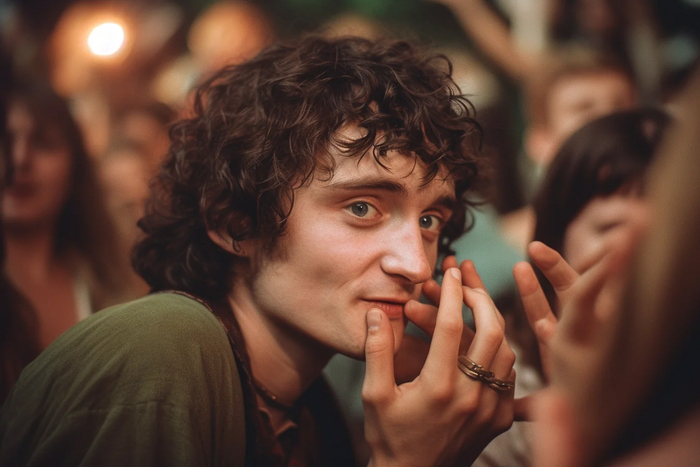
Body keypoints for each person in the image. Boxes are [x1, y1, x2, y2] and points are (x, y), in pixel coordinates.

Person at [0, 36, 518, 466]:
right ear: (236, 223)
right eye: (362, 208)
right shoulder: (158, 353)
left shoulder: (312, 409)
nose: (416, 265)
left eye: (429, 220)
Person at [516, 69, 700, 467]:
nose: (636, 251)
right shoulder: (506, 390)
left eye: (664, 231)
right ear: (556, 237)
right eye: (610, 227)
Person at [2, 81, 136, 350]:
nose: (20, 159)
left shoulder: (103, 281)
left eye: (44, 143)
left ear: (75, 168)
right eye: (5, 141)